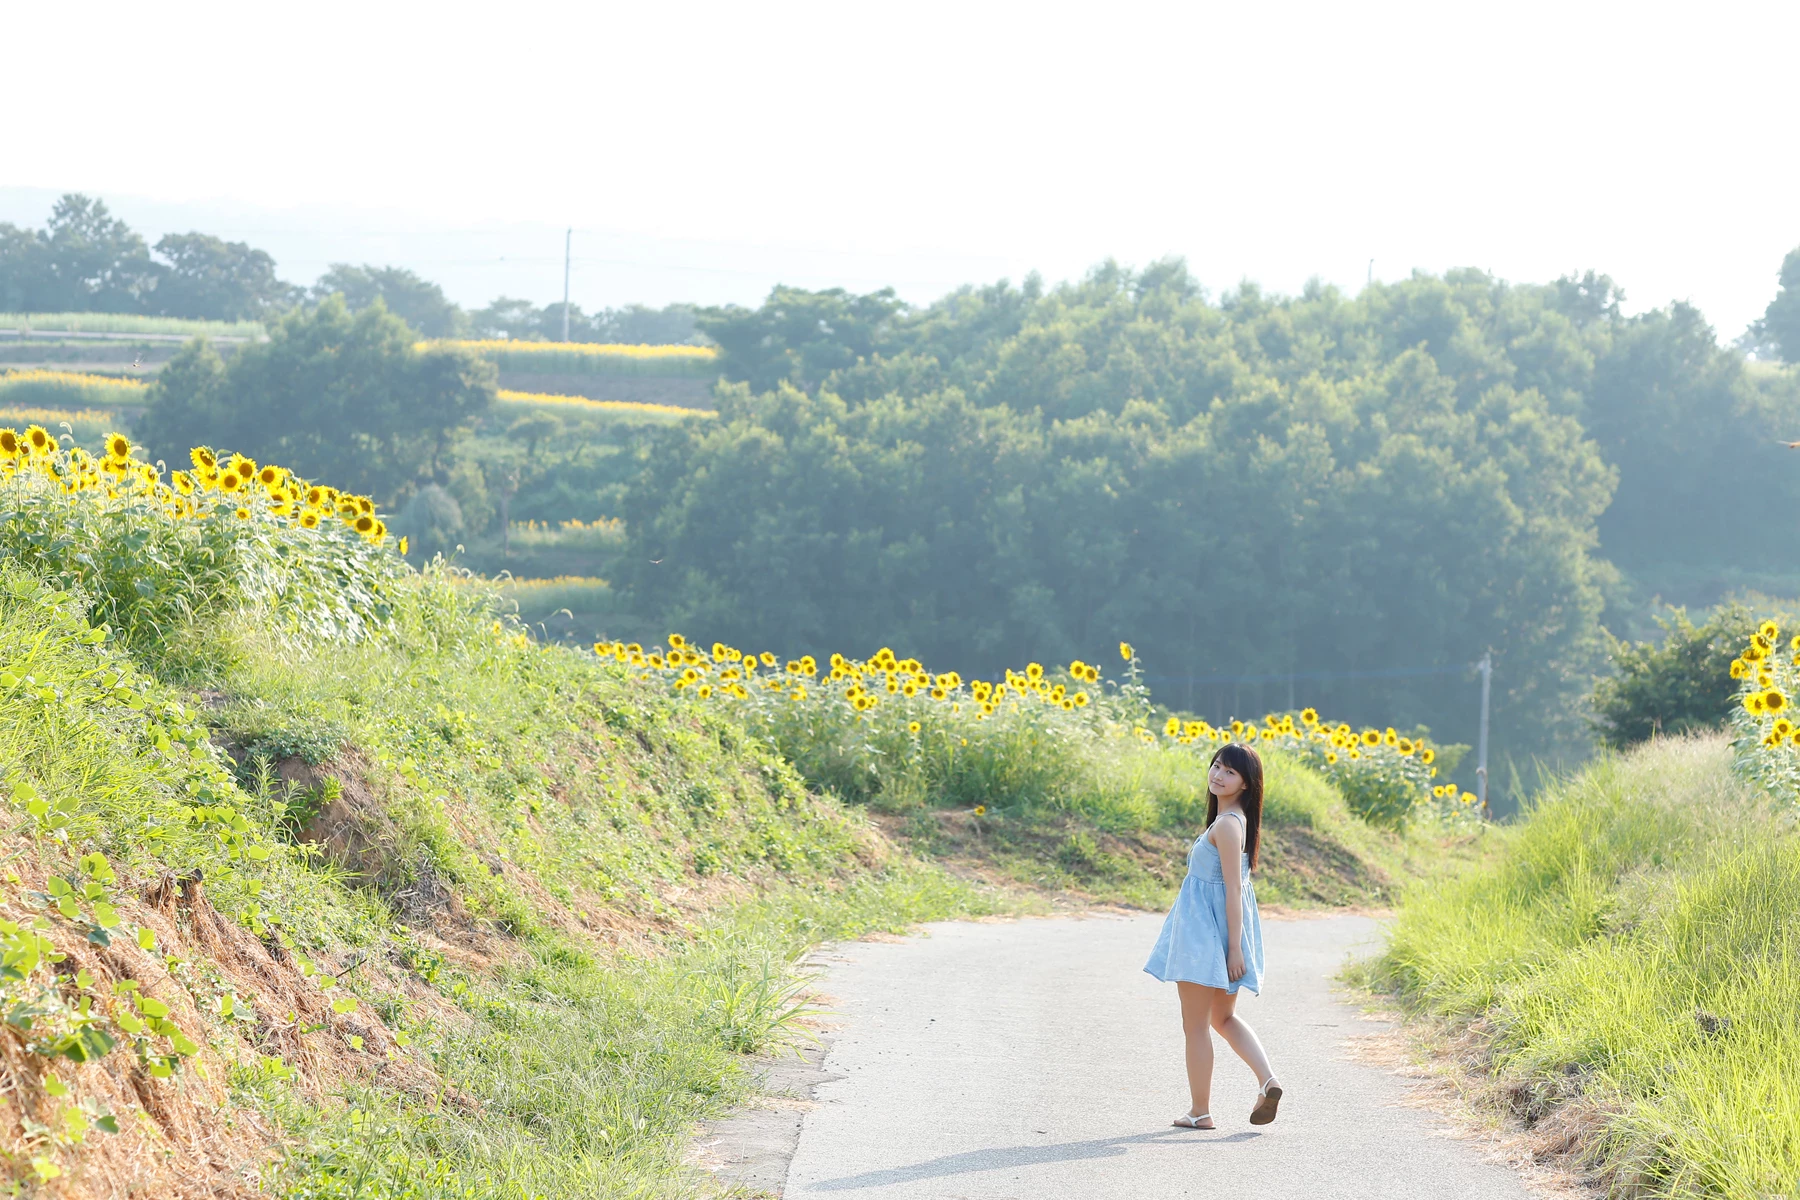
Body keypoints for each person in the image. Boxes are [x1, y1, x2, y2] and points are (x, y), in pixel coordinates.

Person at [1143, 740, 1281, 1129]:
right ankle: (1267, 1080)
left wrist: (1234, 950)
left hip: (1204, 939)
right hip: (1218, 935)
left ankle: (1200, 1111)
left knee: (1196, 1025)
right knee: (1224, 1018)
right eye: (1217, 766)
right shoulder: (1236, 821)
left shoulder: (1226, 825)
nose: (1218, 775)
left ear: (1247, 784)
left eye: (1230, 771)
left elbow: (1233, 890)